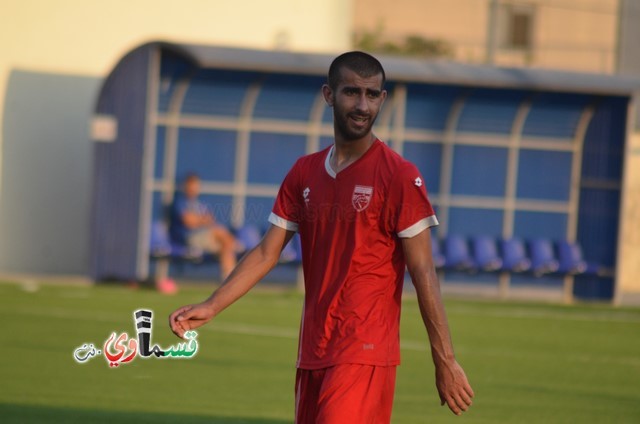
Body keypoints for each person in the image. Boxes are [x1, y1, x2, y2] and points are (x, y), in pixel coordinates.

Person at [169, 51, 474, 422]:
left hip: (364, 350)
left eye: (372, 94)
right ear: (328, 95)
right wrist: (213, 305)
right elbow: (267, 252)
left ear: (383, 99)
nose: (363, 105)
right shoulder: (304, 172)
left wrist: (445, 360)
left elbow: (424, 270)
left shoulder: (398, 176)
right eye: (352, 92)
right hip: (313, 350)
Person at [170, 173, 238, 281]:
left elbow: (210, 220)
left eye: (196, 186)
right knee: (220, 232)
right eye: (191, 185)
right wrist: (202, 220)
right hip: (190, 238)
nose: (194, 189)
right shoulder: (180, 202)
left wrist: (199, 219)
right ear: (186, 186)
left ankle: (229, 279)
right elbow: (188, 221)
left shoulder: (200, 203)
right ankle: (236, 244)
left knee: (226, 248)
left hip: (205, 237)